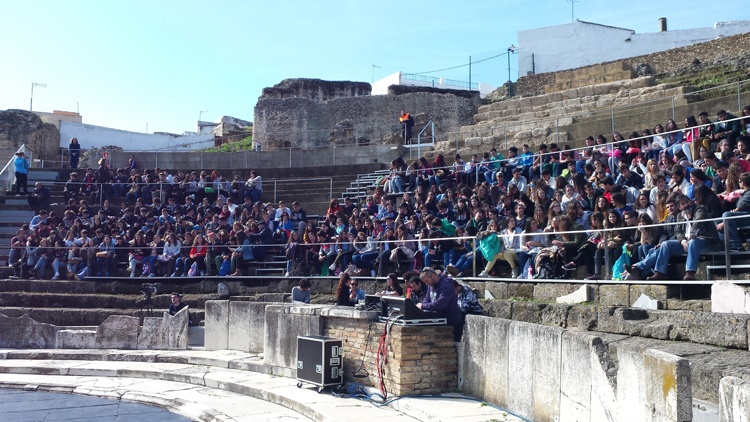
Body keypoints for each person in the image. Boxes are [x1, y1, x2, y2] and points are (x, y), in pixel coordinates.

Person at [417, 268, 463, 342]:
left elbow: (440, 304)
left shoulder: (446, 285)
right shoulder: (431, 285)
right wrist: (421, 307)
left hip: (451, 321)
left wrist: (423, 306)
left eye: (426, 281)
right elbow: (427, 298)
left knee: (452, 345)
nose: (426, 284)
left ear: (433, 276)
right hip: (439, 319)